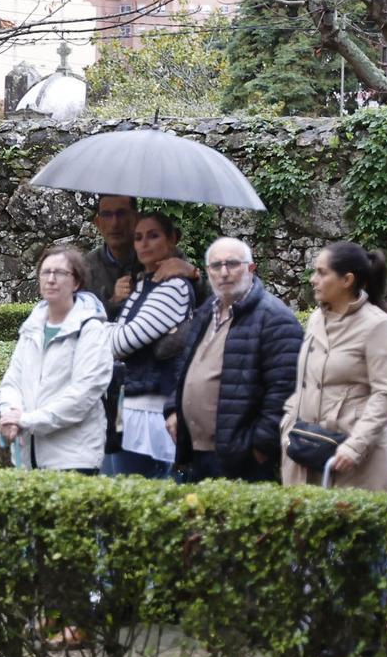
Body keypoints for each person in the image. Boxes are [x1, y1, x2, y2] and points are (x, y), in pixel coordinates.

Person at [165, 237, 302, 483]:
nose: (224, 272)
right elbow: (184, 367)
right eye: (216, 266)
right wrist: (174, 409)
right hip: (195, 454)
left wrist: (258, 449)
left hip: (241, 460)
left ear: (251, 268)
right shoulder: (207, 311)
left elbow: (285, 391)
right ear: (208, 272)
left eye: (232, 264)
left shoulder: (275, 318)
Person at [281, 242, 387, 491]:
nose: (313, 279)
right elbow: (304, 383)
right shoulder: (315, 318)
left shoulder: (378, 325)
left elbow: (385, 394)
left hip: (355, 462)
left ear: (347, 280)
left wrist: (356, 445)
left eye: (322, 273)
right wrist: (287, 427)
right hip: (307, 452)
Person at [0, 244, 114, 472]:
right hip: (27, 458)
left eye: (60, 273)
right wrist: (10, 413)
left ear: (76, 282)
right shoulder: (32, 327)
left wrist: (27, 420)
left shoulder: (91, 329)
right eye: (45, 272)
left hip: (73, 458)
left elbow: (83, 394)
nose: (51, 279)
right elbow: (12, 381)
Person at [103, 210, 198, 478]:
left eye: (153, 236)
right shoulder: (143, 284)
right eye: (138, 237)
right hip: (128, 407)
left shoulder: (174, 287)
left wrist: (99, 330)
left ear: (172, 240)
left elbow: (121, 343)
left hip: (155, 414)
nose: (143, 244)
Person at [82, 194, 195, 320]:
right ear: (98, 223)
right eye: (107, 215)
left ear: (136, 218)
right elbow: (78, 322)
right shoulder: (86, 268)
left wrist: (192, 274)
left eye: (122, 214)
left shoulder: (163, 255)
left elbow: (201, 303)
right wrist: (113, 303)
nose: (114, 223)